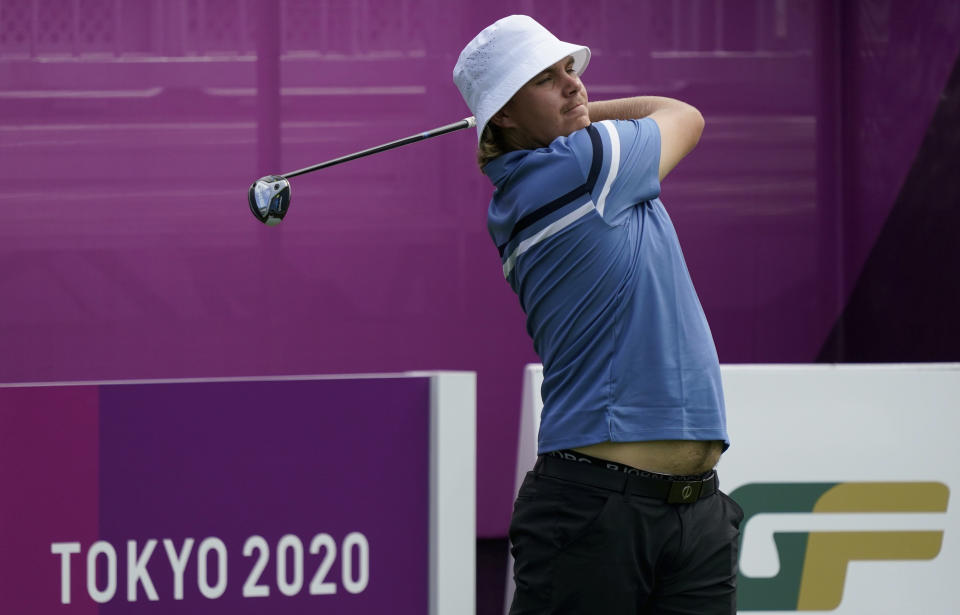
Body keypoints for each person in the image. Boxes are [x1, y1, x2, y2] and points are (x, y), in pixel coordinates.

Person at [453, 15, 743, 615]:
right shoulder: (580, 165)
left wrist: (561, 111)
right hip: (597, 511)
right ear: (503, 114)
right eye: (544, 79)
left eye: (571, 70)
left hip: (692, 513)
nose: (573, 85)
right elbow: (682, 115)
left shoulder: (571, 170)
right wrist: (594, 113)